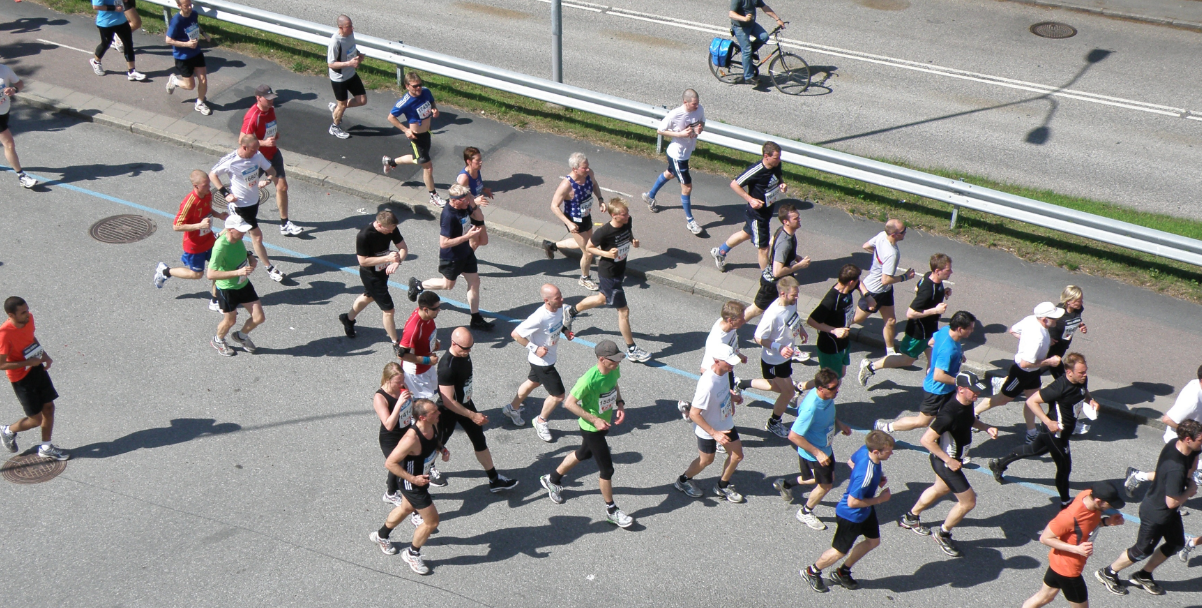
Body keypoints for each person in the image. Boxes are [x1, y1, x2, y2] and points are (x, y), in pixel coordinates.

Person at [1095, 419, 1201, 596]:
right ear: (1188, 439)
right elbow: (1172, 502)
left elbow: (1194, 463)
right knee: (1142, 550)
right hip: (1156, 512)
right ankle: (1108, 572)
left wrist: (1190, 477)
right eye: (1200, 440)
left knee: (1176, 543)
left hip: (1167, 511)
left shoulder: (1178, 445)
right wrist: (1190, 490)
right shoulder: (1176, 468)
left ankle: (1143, 575)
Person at [898, 372, 998, 558]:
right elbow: (926, 440)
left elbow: (969, 420)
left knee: (940, 489)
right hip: (946, 463)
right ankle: (943, 534)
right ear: (961, 390)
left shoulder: (967, 403)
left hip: (953, 460)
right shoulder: (949, 413)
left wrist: (986, 427)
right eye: (973, 390)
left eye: (977, 390)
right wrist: (949, 460)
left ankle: (910, 518)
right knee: (968, 502)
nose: (977, 394)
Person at [539, 340, 634, 528]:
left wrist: (620, 403)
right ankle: (612, 510)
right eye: (614, 360)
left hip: (602, 424)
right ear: (602, 359)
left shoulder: (613, 370)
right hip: (592, 428)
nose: (618, 363)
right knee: (607, 470)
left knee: (584, 453)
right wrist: (594, 420)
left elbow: (614, 385)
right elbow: (569, 403)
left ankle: (552, 479)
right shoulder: (588, 380)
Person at [988, 353, 1101, 509]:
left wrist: (1091, 400)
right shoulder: (1058, 387)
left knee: (1034, 450)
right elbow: (1031, 401)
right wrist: (1048, 422)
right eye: (1081, 372)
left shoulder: (1081, 380)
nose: (1085, 375)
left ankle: (999, 464)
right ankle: (1065, 502)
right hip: (1056, 433)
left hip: (1064, 431)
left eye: (1085, 371)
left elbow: (1083, 391)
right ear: (1069, 372)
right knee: (1064, 467)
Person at [800, 431, 895, 593]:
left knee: (873, 541)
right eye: (889, 451)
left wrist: (874, 481)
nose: (892, 453)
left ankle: (842, 572)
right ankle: (811, 572)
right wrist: (879, 499)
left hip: (865, 511)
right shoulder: (867, 473)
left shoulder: (865, 451)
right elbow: (852, 502)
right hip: (851, 515)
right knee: (839, 551)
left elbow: (851, 462)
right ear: (876, 452)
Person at [561, 199, 651, 363]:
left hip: (619, 270)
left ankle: (571, 311)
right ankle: (632, 349)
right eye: (624, 214)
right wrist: (607, 254)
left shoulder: (627, 221)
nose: (628, 216)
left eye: (627, 213)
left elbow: (628, 232)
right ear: (614, 215)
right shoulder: (603, 232)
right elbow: (589, 248)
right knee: (623, 311)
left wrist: (633, 240)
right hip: (608, 273)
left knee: (602, 298)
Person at [369, 399, 448, 575]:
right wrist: (413, 479)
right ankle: (412, 554)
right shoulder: (411, 438)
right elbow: (390, 463)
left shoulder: (432, 425)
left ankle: (381, 535)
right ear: (422, 417)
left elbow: (434, 441)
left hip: (420, 479)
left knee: (405, 508)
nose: (438, 414)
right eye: (434, 412)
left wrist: (441, 449)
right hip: (412, 484)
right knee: (432, 522)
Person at [434, 327, 518, 492]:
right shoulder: (446, 367)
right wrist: (472, 415)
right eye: (465, 348)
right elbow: (448, 400)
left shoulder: (463, 353)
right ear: (453, 343)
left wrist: (471, 412)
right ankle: (415, 474)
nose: (469, 351)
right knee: (437, 444)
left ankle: (494, 479)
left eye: (471, 347)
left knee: (479, 440)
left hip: (465, 404)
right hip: (448, 411)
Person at [1021, 482, 1126, 608]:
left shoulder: (1088, 496)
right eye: (1110, 504)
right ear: (1098, 501)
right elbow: (1044, 538)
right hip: (1068, 569)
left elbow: (1086, 527)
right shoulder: (1070, 516)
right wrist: (1077, 549)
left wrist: (1107, 521)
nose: (1110, 508)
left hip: (1058, 562)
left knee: (1044, 597)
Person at [407, 185, 493, 331]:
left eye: (468, 199)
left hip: (466, 252)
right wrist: (467, 237)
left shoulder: (464, 206)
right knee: (448, 285)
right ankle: (418, 285)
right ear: (454, 200)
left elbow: (471, 209)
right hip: (452, 257)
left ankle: (476, 317)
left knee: (475, 282)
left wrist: (476, 202)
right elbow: (444, 243)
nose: (468, 202)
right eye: (465, 200)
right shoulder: (449, 215)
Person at [975, 302, 1065, 443]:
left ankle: (1031, 432)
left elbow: (1013, 330)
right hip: (1021, 373)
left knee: (1032, 401)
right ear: (1044, 319)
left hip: (1033, 372)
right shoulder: (1038, 338)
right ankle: (973, 414)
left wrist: (1036, 342)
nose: (1056, 320)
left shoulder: (1031, 319)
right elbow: (1025, 363)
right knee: (1002, 400)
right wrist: (1049, 361)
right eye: (1053, 317)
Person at [874, 311, 976, 434]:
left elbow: (931, 342)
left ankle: (967, 426)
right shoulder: (948, 351)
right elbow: (938, 376)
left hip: (946, 388)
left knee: (958, 408)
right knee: (922, 421)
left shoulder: (946, 330)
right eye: (970, 329)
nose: (972, 331)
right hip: (937, 390)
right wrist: (960, 382)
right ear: (960, 329)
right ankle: (886, 427)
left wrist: (959, 356)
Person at [858, 253, 953, 387]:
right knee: (906, 360)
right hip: (918, 333)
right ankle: (870, 366)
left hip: (930, 330)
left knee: (934, 360)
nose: (951, 272)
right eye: (948, 270)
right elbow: (910, 313)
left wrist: (943, 293)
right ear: (937, 271)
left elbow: (916, 288)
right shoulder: (928, 289)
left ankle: (932, 391)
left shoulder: (930, 277)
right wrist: (935, 310)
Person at [774, 368, 851, 531]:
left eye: (837, 386)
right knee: (826, 485)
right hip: (815, 452)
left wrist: (840, 423)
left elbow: (830, 410)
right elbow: (793, 436)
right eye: (833, 388)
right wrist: (818, 453)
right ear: (820, 388)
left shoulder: (827, 396)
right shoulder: (811, 408)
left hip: (824, 448)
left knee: (822, 478)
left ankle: (786, 484)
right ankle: (805, 512)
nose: (837, 390)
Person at [736, 276, 807, 437]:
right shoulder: (772, 314)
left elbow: (792, 316)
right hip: (774, 360)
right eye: (793, 295)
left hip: (784, 357)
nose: (797, 298)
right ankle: (773, 423)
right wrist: (779, 347)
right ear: (782, 293)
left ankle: (741, 383)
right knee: (788, 392)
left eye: (797, 295)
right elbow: (758, 337)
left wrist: (800, 328)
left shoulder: (791, 302)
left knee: (774, 386)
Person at [209, 133, 286, 282]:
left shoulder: (257, 155)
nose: (256, 152)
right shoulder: (231, 161)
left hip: (254, 203)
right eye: (252, 149)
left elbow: (272, 171)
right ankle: (270, 269)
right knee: (256, 236)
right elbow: (213, 174)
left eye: (257, 149)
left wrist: (268, 181)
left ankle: (216, 238)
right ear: (244, 147)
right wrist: (226, 194)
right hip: (240, 206)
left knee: (236, 229)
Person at [675, 344, 745, 503]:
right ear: (716, 361)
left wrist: (732, 397)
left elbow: (724, 389)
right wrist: (714, 433)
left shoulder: (726, 372)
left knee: (737, 456)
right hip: (707, 429)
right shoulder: (707, 384)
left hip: (724, 423)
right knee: (706, 460)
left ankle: (722, 485)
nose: (732, 365)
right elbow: (694, 414)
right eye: (728, 362)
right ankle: (683, 480)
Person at [0, 297, 68, 460]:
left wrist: (44, 355)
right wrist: (27, 362)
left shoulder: (29, 319)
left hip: (36, 368)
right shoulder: (5, 334)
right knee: (35, 420)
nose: (28, 314)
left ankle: (46, 447)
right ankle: (8, 431)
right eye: (23, 312)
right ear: (11, 315)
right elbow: (1, 365)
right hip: (21, 378)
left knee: (49, 408)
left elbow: (31, 338)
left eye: (27, 309)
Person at [153, 170, 228, 312]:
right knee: (197, 274)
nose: (208, 188)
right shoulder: (189, 202)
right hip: (194, 245)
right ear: (196, 186)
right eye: (205, 185)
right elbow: (176, 226)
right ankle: (165, 271)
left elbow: (207, 209)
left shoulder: (208, 194)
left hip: (209, 239)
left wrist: (218, 215)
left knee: (218, 267)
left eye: (208, 184)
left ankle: (215, 300)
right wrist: (199, 226)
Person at [1124, 364, 1202, 498]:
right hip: (1183, 441)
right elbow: (1168, 419)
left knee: (1187, 472)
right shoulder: (1193, 401)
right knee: (1177, 474)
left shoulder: (1196, 384)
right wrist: (1190, 433)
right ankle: (1170, 497)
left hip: (1195, 438)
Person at [505, 284, 571, 442]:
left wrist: (566, 331)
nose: (562, 299)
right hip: (542, 362)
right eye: (557, 298)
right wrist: (534, 348)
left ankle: (512, 408)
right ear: (546, 301)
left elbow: (560, 323)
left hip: (547, 359)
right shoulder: (539, 317)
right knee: (558, 395)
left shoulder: (560, 308)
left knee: (533, 382)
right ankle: (540, 421)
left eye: (561, 295)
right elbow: (516, 334)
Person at [710, 142, 786, 273]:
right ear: (766, 156)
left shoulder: (776, 165)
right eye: (776, 158)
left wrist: (782, 184)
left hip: (767, 210)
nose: (779, 160)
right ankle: (766, 278)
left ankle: (720, 252)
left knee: (745, 234)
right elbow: (734, 184)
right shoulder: (756, 170)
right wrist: (750, 200)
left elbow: (778, 176)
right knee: (764, 248)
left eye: (779, 157)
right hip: (757, 215)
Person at [340, 210, 408, 349]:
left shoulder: (391, 228)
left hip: (383, 271)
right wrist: (387, 258)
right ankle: (395, 342)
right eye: (389, 230)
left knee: (369, 296)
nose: (391, 233)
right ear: (379, 224)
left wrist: (397, 262)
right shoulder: (364, 235)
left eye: (393, 229)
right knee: (389, 310)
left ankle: (348, 318)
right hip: (370, 275)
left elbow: (403, 248)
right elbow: (362, 261)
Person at [641, 89, 706, 234]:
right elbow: (660, 130)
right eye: (694, 104)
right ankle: (690, 221)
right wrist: (680, 134)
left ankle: (649, 196)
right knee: (687, 187)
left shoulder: (699, 109)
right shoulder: (675, 114)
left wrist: (700, 128)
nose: (697, 106)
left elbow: (702, 123)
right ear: (685, 102)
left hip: (686, 152)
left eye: (698, 103)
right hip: (677, 155)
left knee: (670, 173)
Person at [241, 85, 301, 237]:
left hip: (273, 154)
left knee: (282, 187)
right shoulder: (253, 116)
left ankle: (285, 223)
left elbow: (269, 127)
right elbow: (242, 140)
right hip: (257, 158)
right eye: (267, 99)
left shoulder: (271, 109)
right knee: (247, 190)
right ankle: (236, 212)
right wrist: (263, 143)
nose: (271, 102)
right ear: (258, 98)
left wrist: (275, 134)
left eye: (272, 99)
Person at [851, 219, 915, 356]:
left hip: (885, 290)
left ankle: (890, 351)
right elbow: (885, 280)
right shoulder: (891, 253)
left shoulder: (881, 235)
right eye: (903, 231)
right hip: (875, 291)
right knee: (857, 319)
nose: (905, 233)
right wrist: (905, 277)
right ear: (894, 234)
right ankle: (831, 325)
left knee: (891, 321)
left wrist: (879, 257)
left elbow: (865, 246)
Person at [542, 152, 605, 291]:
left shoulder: (589, 174)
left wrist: (600, 199)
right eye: (584, 168)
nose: (587, 169)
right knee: (589, 251)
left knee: (584, 243)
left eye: (588, 166)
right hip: (574, 220)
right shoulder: (566, 185)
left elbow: (594, 184)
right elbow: (554, 206)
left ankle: (551, 245)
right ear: (575, 169)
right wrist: (569, 223)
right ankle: (584, 278)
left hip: (586, 215)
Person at [206, 214, 266, 356]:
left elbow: (241, 250)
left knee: (259, 318)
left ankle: (241, 336)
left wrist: (250, 257)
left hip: (243, 284)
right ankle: (218, 340)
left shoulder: (237, 238)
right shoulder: (220, 247)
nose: (244, 233)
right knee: (230, 320)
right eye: (241, 230)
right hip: (227, 289)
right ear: (230, 229)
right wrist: (238, 272)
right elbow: (210, 274)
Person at [744, 203, 810, 323]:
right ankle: (732, 324)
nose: (799, 220)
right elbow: (777, 271)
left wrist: (794, 256)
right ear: (786, 221)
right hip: (772, 284)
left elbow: (772, 244)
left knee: (787, 306)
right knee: (756, 310)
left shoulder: (783, 231)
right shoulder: (785, 243)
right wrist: (799, 266)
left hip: (783, 282)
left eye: (798, 217)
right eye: (796, 218)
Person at [384, 72, 443, 207]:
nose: (418, 89)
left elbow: (432, 102)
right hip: (416, 137)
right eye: (415, 86)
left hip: (427, 133)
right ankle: (433, 195)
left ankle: (391, 161)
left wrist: (435, 109)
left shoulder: (426, 92)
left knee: (418, 159)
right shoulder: (405, 102)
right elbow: (391, 117)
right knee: (428, 167)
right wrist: (406, 130)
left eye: (420, 85)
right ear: (407, 86)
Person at [806, 264, 861, 379]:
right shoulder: (831, 300)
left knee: (840, 375)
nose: (858, 283)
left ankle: (800, 387)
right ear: (851, 282)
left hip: (844, 342)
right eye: (856, 281)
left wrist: (868, 296)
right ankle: (801, 387)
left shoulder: (847, 289)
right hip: (830, 346)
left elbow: (860, 283)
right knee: (831, 381)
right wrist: (834, 330)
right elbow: (811, 321)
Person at [1048, 286, 1088, 432]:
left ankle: (1060, 419)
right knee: (1066, 386)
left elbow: (1076, 320)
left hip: (1059, 354)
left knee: (1064, 387)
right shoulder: (1057, 315)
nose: (1081, 303)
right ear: (1068, 301)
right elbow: (1045, 329)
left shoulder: (1078, 310)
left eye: (1081, 299)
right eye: (1078, 300)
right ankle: (1061, 421)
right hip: (1049, 356)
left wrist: (1081, 325)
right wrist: (1049, 339)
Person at [374, 362, 414, 507]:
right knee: (397, 464)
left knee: (407, 462)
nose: (401, 384)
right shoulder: (380, 397)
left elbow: (411, 405)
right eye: (398, 382)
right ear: (387, 380)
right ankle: (391, 493)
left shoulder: (403, 386)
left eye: (403, 380)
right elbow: (389, 425)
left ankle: (394, 490)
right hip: (390, 438)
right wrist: (398, 404)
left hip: (406, 431)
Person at [163, 0, 213, 116]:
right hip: (183, 57)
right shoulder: (176, 21)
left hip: (196, 52)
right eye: (186, 6)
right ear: (179, 6)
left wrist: (204, 34)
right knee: (190, 86)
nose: (189, 8)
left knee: (203, 79)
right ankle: (174, 81)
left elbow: (195, 25)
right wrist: (187, 44)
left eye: (190, 4)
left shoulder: (194, 13)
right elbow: (168, 40)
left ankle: (199, 103)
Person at [326, 15, 366, 139]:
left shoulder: (350, 34)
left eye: (351, 25)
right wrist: (350, 64)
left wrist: (358, 55)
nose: (352, 28)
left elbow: (351, 48)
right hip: (339, 78)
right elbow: (331, 63)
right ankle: (335, 127)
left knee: (362, 100)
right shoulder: (335, 42)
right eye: (349, 27)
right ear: (341, 28)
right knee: (342, 105)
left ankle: (337, 109)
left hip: (351, 74)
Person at [397, 291, 442, 403]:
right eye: (436, 308)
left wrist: (434, 341)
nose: (439, 310)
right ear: (426, 310)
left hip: (427, 365)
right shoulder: (412, 329)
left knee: (433, 390)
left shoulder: (427, 317)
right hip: (416, 373)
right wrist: (427, 360)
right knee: (421, 402)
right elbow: (401, 355)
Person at [1, 64, 39, 189]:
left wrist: (14, 90)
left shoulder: (4, 69)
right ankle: (22, 176)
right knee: (9, 144)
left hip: (4, 112)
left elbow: (20, 83)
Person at [728, 0, 785, 84]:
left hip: (751, 25)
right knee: (746, 50)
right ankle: (748, 77)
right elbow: (731, 14)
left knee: (764, 37)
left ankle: (749, 54)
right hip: (739, 27)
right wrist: (744, 18)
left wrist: (777, 19)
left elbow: (764, 7)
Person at [89, 0, 144, 81]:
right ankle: (96, 62)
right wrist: (114, 8)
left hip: (121, 21)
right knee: (106, 43)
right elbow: (96, 6)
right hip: (106, 22)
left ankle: (132, 72)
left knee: (128, 44)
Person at [455, 147, 491, 250]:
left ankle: (463, 254)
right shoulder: (464, 179)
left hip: (474, 210)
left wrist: (484, 189)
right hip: (465, 214)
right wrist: (475, 201)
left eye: (481, 159)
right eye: (478, 160)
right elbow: (458, 201)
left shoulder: (476, 170)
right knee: (474, 242)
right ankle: (466, 262)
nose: (481, 162)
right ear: (469, 161)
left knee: (483, 241)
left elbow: (475, 185)